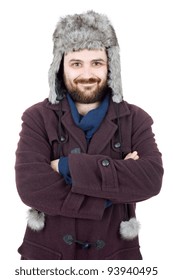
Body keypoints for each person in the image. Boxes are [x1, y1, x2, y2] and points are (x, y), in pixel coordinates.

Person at [15, 10, 164, 260]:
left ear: (110, 66)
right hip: (46, 259)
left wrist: (65, 165)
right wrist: (110, 191)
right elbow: (30, 187)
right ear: (60, 67)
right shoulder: (36, 117)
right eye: (76, 64)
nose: (87, 74)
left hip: (116, 259)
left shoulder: (136, 119)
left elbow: (150, 180)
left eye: (96, 63)